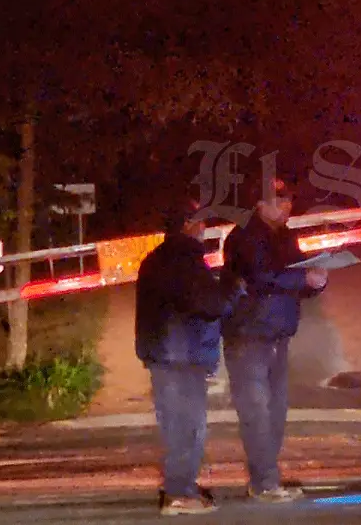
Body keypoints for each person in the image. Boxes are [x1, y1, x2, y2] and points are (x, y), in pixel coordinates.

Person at [221, 175, 327, 503]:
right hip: (249, 337)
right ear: (259, 204)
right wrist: (301, 277)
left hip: (277, 337)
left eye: (288, 199)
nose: (287, 206)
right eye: (279, 200)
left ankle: (266, 478)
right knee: (257, 413)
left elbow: (292, 281)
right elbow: (261, 276)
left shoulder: (284, 238)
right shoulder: (245, 237)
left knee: (276, 412)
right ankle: (265, 482)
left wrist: (315, 281)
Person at [135, 195, 239, 516]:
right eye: (200, 220)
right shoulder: (185, 261)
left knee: (177, 426)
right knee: (187, 429)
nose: (204, 227)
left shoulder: (157, 258)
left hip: (166, 354)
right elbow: (209, 304)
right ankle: (179, 493)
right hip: (182, 356)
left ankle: (181, 487)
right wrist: (232, 289)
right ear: (187, 224)